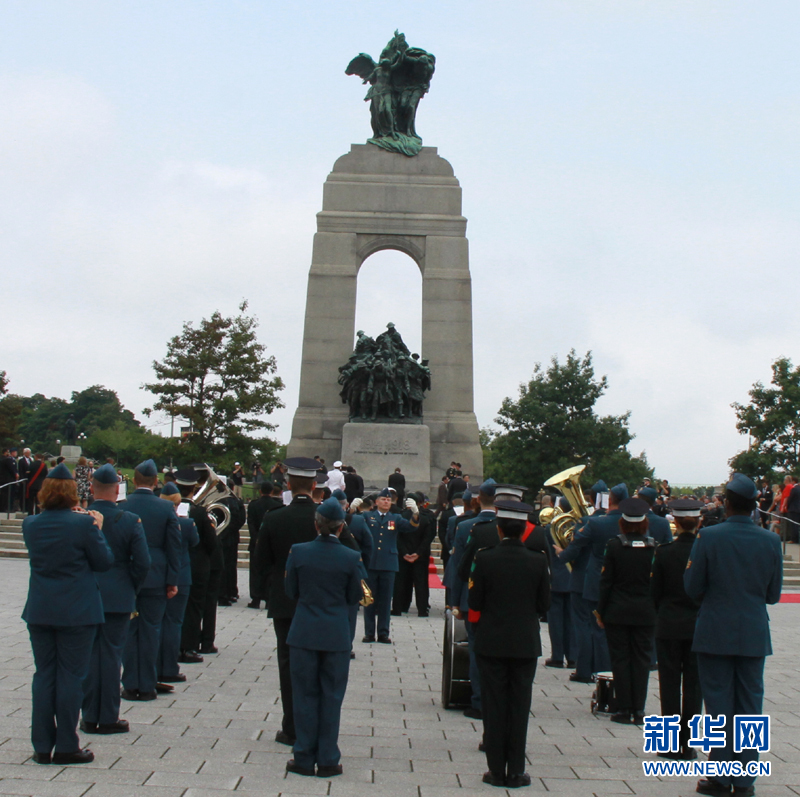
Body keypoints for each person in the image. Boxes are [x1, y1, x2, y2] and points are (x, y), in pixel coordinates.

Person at [685, 473, 783, 797]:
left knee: (718, 706)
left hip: (715, 629)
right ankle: (744, 781)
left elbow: (692, 586)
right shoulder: (771, 541)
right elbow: (773, 595)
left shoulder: (709, 536)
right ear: (754, 505)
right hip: (753, 632)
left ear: (726, 504)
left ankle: (719, 775)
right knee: (750, 707)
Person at [22, 463, 113, 764]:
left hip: (41, 608)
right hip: (78, 610)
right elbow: (103, 562)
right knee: (71, 677)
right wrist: (97, 527)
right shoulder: (83, 524)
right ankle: (66, 745)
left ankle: (41, 745)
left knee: (44, 674)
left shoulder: (30, 524)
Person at [468, 500, 550, 788]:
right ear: (524, 528)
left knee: (493, 705)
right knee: (519, 705)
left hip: (491, 641)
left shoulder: (484, 558)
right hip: (525, 642)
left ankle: (495, 770)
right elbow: (544, 605)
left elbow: (474, 601)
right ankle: (516, 770)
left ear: (500, 529)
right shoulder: (538, 560)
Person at [283, 497, 364, 777]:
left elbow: (291, 590)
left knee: (304, 695)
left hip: (304, 632)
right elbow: (355, 596)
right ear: (341, 527)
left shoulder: (298, 552)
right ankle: (328, 758)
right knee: (332, 697)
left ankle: (303, 756)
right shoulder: (351, 557)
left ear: (316, 525)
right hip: (336, 634)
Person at [253, 456, 321, 747]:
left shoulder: (274, 517)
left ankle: (291, 727)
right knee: (318, 665)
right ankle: (316, 725)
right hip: (320, 603)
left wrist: (266, 591)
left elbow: (261, 562)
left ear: (289, 484)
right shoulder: (325, 518)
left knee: (289, 664)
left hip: (284, 600)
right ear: (315, 485)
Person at [81, 464, 150, 733]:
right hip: (119, 595)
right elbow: (142, 562)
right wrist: (131, 587)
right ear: (117, 490)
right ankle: (108, 717)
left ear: (92, 488)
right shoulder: (130, 520)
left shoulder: (81, 519)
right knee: (111, 657)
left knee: (89, 656)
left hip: (87, 594)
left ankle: (89, 716)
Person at [120, 459, 181, 701]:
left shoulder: (123, 505)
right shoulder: (165, 508)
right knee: (151, 631)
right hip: (157, 576)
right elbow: (174, 547)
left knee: (129, 631)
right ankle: (147, 684)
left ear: (134, 481)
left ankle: (130, 683)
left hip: (128, 576)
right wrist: (173, 579)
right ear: (156, 481)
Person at [650, 498, 703, 760]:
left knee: (669, 685)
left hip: (669, 624)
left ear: (677, 523)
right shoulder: (704, 551)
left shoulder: (664, 551)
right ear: (698, 522)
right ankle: (688, 744)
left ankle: (669, 743)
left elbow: (655, 592)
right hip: (697, 626)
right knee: (694, 687)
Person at [595, 497, 656, 725]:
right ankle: (638, 710)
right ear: (644, 523)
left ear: (622, 522)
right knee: (641, 660)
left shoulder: (614, 546)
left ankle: (623, 708)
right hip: (645, 612)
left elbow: (606, 582)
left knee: (620, 659)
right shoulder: (654, 547)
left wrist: (600, 612)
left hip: (618, 611)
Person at [361, 487, 421, 644]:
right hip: (371, 563)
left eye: (388, 500)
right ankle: (369, 633)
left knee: (386, 600)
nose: (386, 502)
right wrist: (352, 510)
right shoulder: (368, 516)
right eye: (383, 499)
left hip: (388, 563)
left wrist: (415, 513)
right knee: (369, 600)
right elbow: (354, 524)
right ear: (376, 502)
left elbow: (411, 527)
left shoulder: (395, 518)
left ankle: (383, 632)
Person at [157, 482, 198, 687]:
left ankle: (155, 666)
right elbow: (195, 542)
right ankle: (170, 667)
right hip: (181, 577)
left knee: (157, 623)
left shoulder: (154, 522)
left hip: (159, 576)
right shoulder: (187, 523)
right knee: (174, 624)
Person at [176, 468, 216, 664]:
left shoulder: (169, 510)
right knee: (193, 608)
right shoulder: (201, 513)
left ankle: (173, 645)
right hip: (197, 566)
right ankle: (189, 647)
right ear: (194, 489)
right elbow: (211, 543)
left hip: (175, 565)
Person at [391, 492, 436, 618]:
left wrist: (404, 552)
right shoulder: (427, 517)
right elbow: (428, 537)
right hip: (421, 555)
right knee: (421, 582)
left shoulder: (401, 516)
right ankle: (422, 609)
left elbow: (397, 537)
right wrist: (418, 553)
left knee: (401, 582)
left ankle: (399, 607)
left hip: (403, 555)